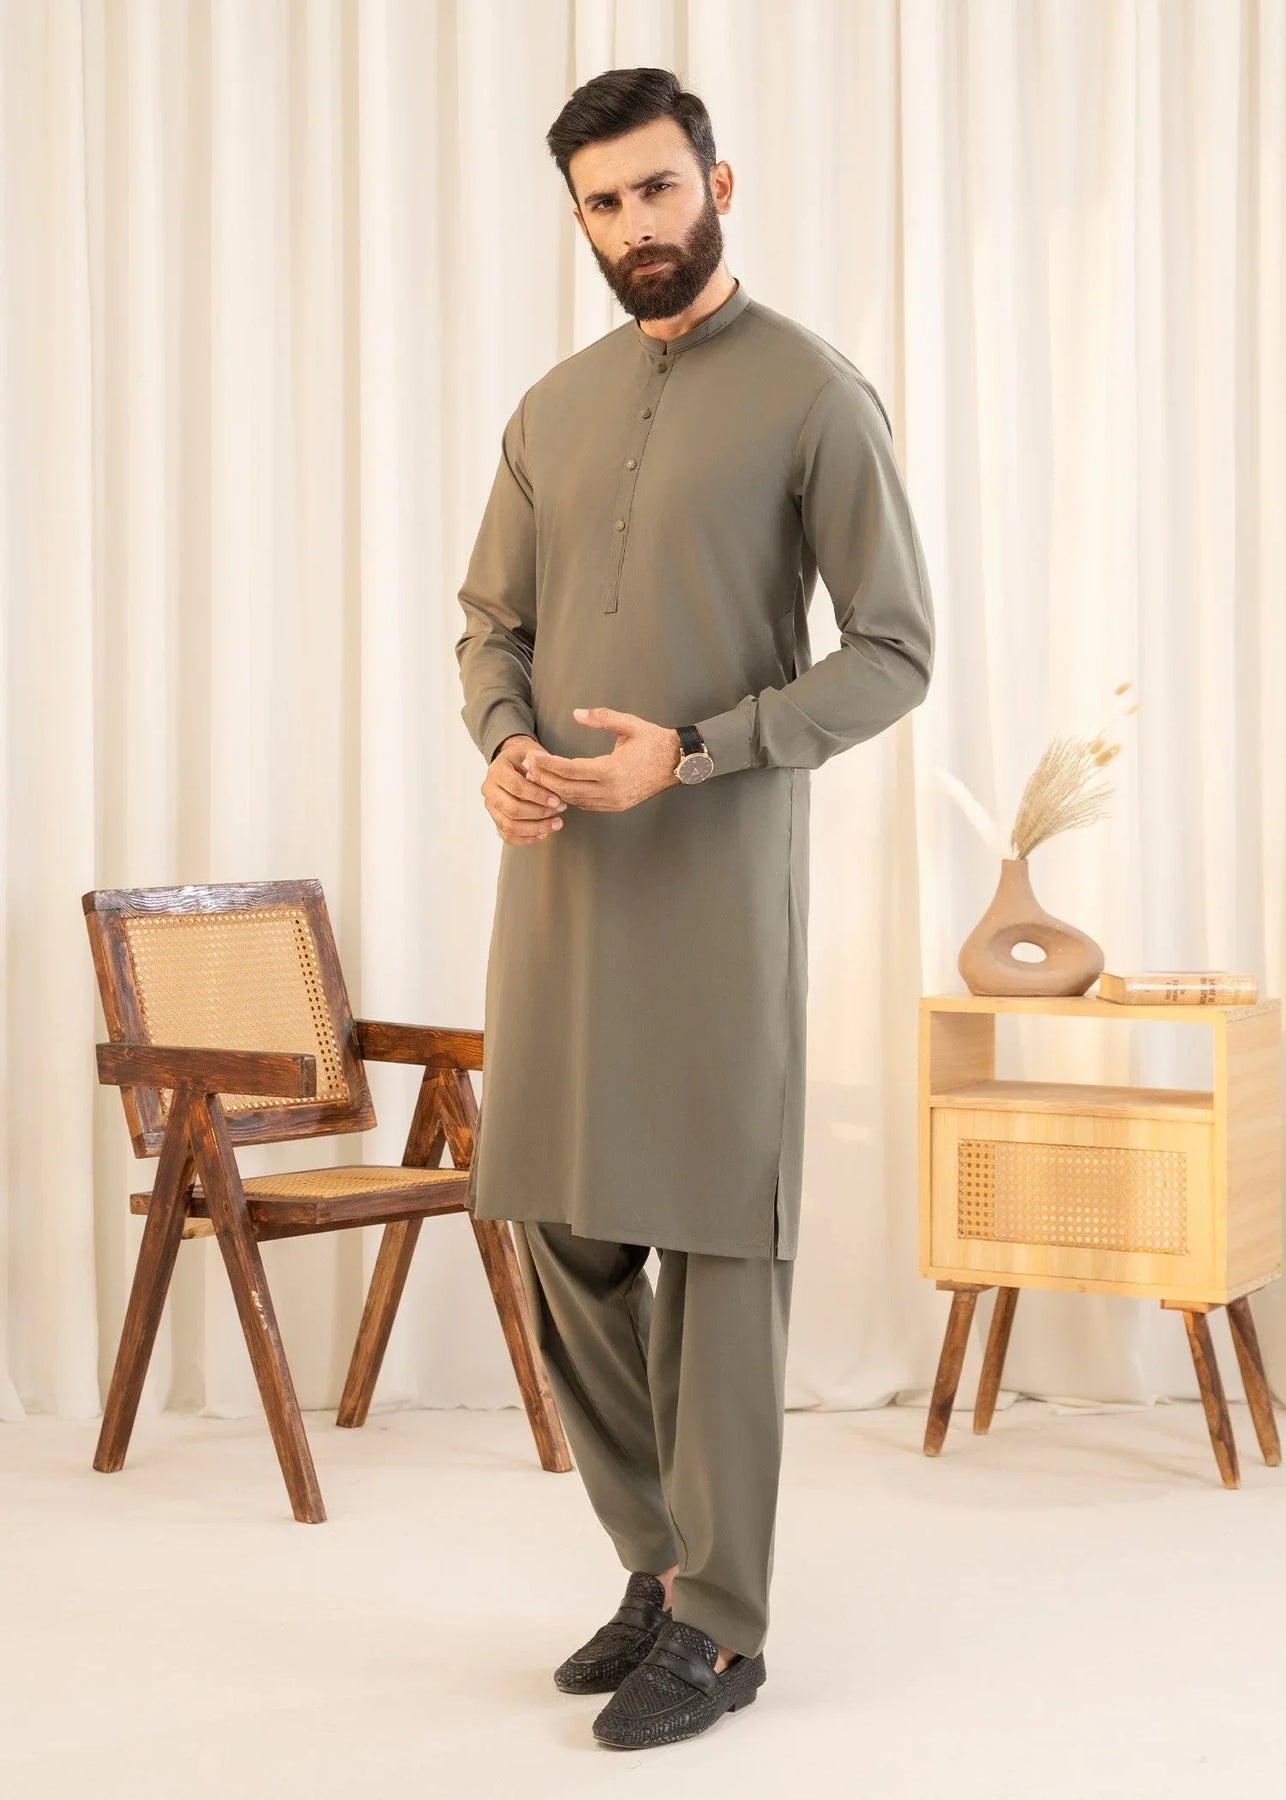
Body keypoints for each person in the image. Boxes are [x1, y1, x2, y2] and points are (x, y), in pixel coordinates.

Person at [454, 65, 934, 1750]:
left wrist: (704, 750)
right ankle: (658, 1565)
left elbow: (893, 651)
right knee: (558, 1217)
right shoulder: (551, 407)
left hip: (717, 874)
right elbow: (490, 625)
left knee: (720, 1236)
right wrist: (501, 745)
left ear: (716, 184)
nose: (633, 226)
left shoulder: (812, 392)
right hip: (559, 878)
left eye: (657, 189)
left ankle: (724, 1628)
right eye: (602, 203)